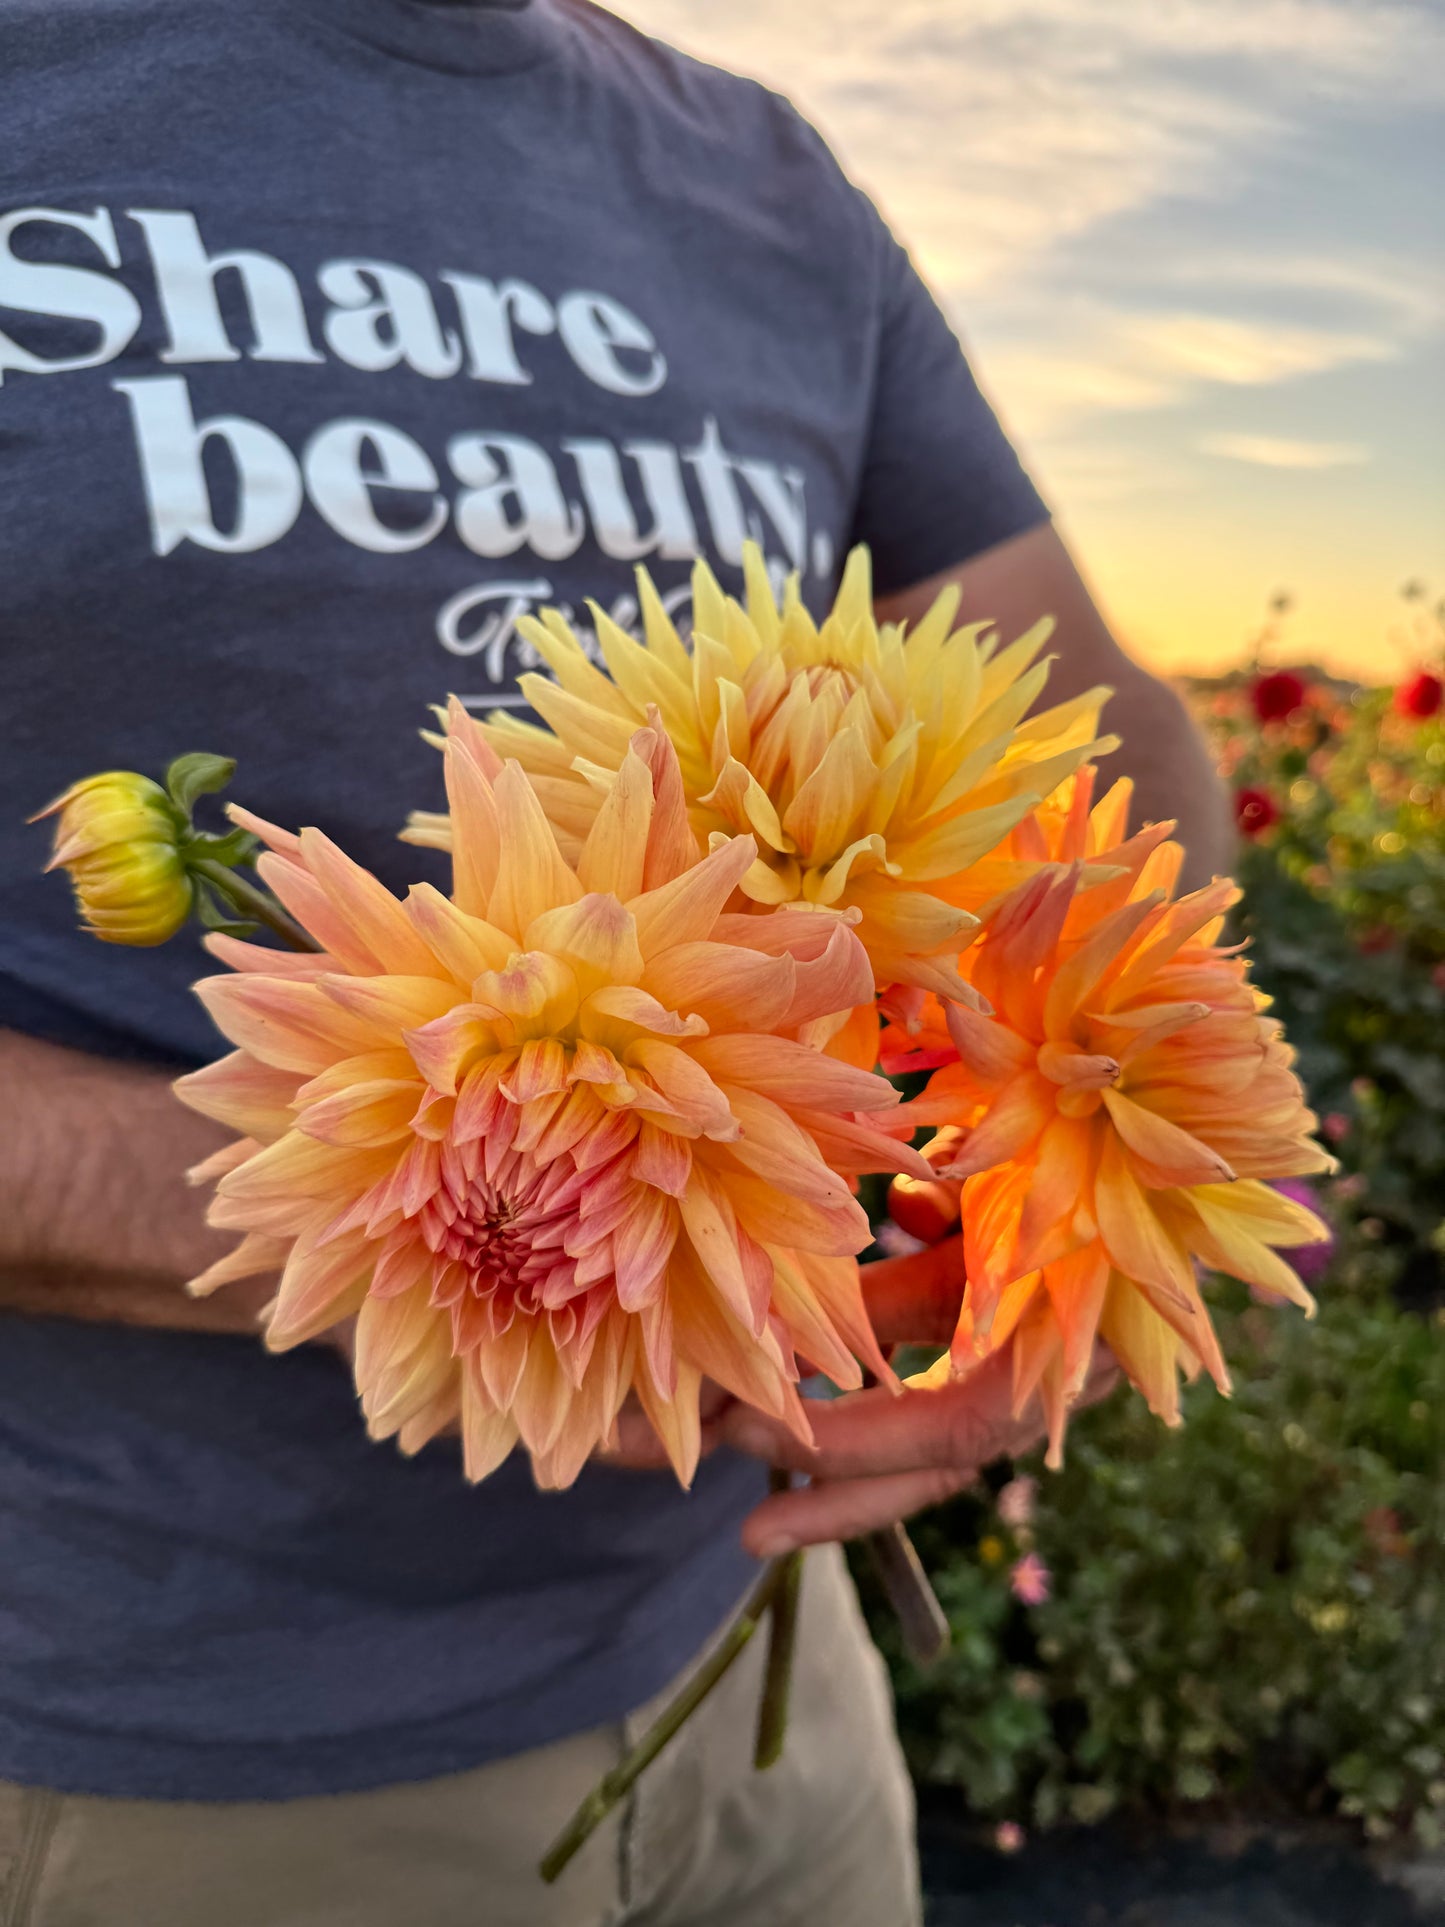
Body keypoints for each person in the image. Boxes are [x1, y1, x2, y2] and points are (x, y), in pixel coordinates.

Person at [0, 1, 1231, 1920]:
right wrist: (472, 1197)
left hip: (754, 1660)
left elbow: (1105, 718)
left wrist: (1072, 1186)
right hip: (167, 1757)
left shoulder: (765, 173)